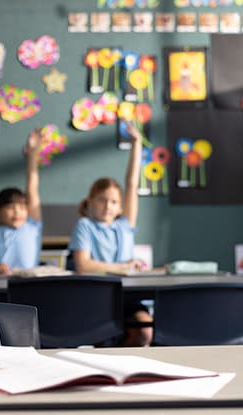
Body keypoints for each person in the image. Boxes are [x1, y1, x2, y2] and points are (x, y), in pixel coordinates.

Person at [68, 122, 153, 347]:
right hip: (97, 299)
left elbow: (132, 184)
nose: (108, 206)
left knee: (145, 332)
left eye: (114, 201)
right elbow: (83, 265)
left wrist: (136, 144)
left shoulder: (124, 225)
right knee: (101, 335)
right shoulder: (84, 225)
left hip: (128, 297)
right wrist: (123, 268)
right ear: (90, 202)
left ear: (120, 207)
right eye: (102, 200)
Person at [0, 128, 43, 275]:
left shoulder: (33, 227)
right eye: (10, 207)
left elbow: (32, 187)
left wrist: (32, 153)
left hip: (29, 289)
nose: (17, 212)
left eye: (22, 207)